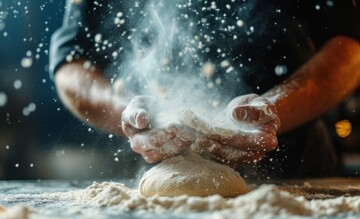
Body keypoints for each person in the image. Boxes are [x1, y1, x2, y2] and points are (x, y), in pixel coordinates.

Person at [50, 0, 360, 179]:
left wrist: (272, 109)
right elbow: (72, 66)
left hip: (298, 168)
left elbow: (349, 48)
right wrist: (134, 115)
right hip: (154, 165)